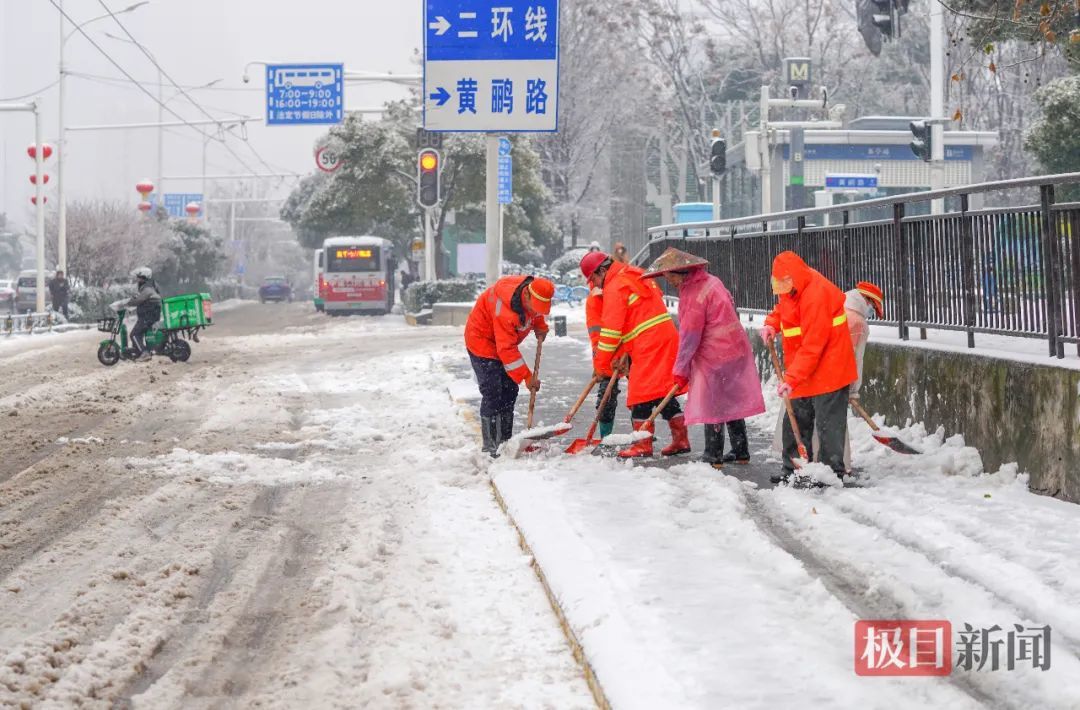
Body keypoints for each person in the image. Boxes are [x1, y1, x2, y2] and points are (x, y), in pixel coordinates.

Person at [643, 248, 765, 469]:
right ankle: (740, 450)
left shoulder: (693, 293)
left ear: (681, 272)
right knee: (731, 399)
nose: (667, 280)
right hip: (735, 347)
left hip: (715, 353)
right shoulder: (712, 281)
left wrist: (680, 370)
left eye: (669, 275)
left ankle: (713, 455)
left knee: (714, 403)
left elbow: (690, 336)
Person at [761, 251, 858, 483]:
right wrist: (771, 324)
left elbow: (813, 345)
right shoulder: (794, 287)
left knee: (828, 425)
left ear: (792, 278)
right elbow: (783, 309)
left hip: (830, 367)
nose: (782, 290)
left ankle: (831, 473)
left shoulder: (816, 295)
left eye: (784, 285)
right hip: (805, 368)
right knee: (795, 418)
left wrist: (791, 378)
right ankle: (793, 468)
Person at [581, 251, 687, 458]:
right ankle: (681, 439)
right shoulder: (632, 274)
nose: (593, 283)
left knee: (640, 395)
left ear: (602, 270)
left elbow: (611, 332)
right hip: (663, 338)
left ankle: (642, 444)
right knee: (661, 391)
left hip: (648, 344)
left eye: (593, 278)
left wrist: (601, 365)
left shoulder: (615, 286)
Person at [464, 275, 553, 456]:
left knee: (510, 389)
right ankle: (490, 447)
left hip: (503, 342)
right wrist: (527, 377)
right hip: (482, 341)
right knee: (493, 391)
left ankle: (505, 442)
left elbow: (534, 313)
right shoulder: (505, 310)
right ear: (527, 295)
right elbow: (506, 350)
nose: (536, 312)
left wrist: (540, 325)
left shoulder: (533, 292)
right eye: (535, 308)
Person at [585, 278, 623, 440]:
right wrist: (599, 365)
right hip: (608, 351)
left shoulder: (621, 290)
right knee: (606, 395)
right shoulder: (594, 300)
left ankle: (644, 431)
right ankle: (605, 436)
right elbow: (596, 337)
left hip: (632, 347)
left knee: (644, 393)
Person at [127, 267, 162, 362]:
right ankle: (138, 352)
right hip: (150, 316)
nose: (137, 279)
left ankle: (144, 353)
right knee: (139, 333)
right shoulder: (149, 287)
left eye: (138, 277)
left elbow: (138, 300)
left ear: (143, 277)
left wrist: (127, 302)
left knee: (134, 334)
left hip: (147, 317)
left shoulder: (147, 289)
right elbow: (142, 300)